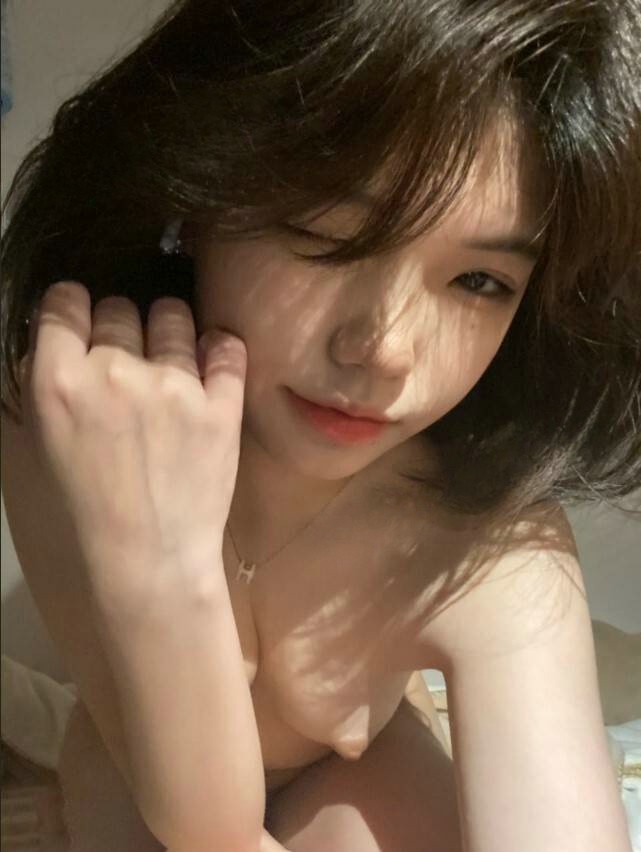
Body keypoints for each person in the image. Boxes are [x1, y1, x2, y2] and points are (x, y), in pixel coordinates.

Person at [1, 1, 639, 850]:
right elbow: (193, 816)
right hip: (128, 761)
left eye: (478, 282)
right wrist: (159, 575)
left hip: (358, 764)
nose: (384, 350)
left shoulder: (488, 546)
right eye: (322, 235)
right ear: (193, 198)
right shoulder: (69, 415)